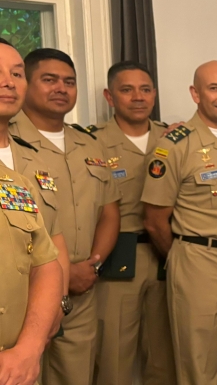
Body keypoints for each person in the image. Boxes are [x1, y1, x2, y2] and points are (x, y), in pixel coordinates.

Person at [142, 60, 217, 385]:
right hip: (199, 263)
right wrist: (184, 257)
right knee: (199, 364)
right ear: (196, 94)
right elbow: (154, 221)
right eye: (214, 88)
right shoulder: (175, 144)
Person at [11, 48, 121, 385]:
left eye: (69, 82)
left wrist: (93, 266)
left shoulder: (90, 144)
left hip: (82, 286)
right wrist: (60, 275)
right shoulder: (10, 140)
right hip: (23, 289)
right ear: (27, 84)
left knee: (77, 376)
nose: (61, 88)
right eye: (49, 80)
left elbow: (109, 212)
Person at [90, 61, 176, 385]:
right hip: (119, 256)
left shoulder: (174, 138)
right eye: (127, 90)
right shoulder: (91, 143)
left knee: (165, 354)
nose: (138, 97)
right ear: (109, 97)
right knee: (114, 355)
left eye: (145, 89)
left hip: (166, 252)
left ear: (154, 95)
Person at [0, 36, 64, 385]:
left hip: (17, 363)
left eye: (16, 73)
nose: (8, 82)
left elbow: (45, 261)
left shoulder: (16, 182)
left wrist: (29, 349)